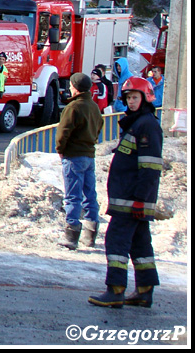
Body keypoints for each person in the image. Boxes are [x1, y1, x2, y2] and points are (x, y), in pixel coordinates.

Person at [88, 77, 163, 308]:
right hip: (131, 199)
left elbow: (150, 167)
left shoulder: (146, 125)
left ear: (145, 98)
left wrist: (141, 199)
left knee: (116, 241)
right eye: (128, 98)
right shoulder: (137, 123)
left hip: (132, 200)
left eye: (135, 97)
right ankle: (144, 291)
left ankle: (115, 290)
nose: (131, 102)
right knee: (140, 244)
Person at [55, 72, 104, 250]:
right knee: (90, 195)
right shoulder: (93, 107)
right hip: (89, 155)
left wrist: (60, 150)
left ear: (75, 88)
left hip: (73, 156)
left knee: (73, 196)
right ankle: (91, 233)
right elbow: (99, 127)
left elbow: (63, 132)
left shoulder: (73, 107)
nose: (69, 88)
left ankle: (71, 233)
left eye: (71, 85)